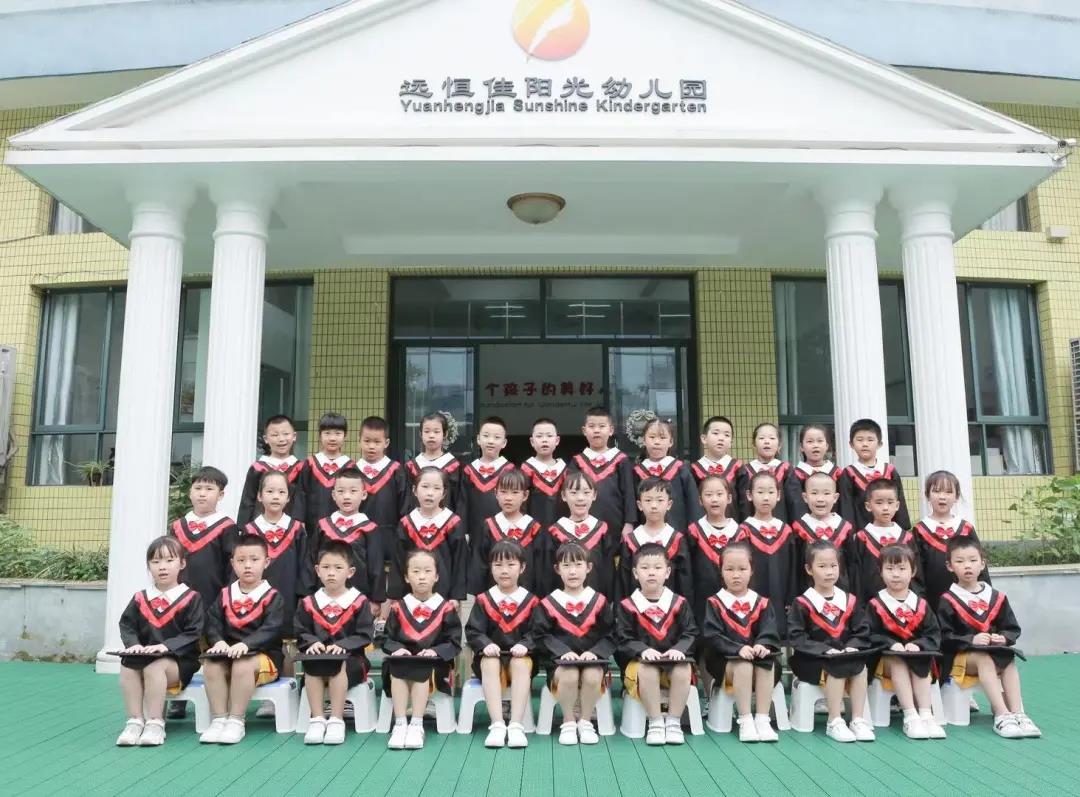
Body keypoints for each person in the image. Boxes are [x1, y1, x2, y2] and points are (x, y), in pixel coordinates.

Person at [937, 537, 1040, 739]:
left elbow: (1011, 628)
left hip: (993, 653)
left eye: (973, 560)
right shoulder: (947, 600)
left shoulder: (996, 597)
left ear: (982, 563)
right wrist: (970, 640)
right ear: (950, 566)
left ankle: (1018, 713)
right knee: (984, 660)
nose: (967, 566)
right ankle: (1001, 715)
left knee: (1008, 659)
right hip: (960, 657)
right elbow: (944, 636)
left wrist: (1003, 638)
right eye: (960, 561)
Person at [115, 536, 204, 747]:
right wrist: (134, 645)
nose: (162, 567)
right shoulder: (140, 598)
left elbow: (194, 632)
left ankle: (155, 723)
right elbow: (127, 625)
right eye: (155, 562)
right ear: (149, 566)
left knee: (155, 666)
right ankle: (135, 721)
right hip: (145, 656)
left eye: (169, 560)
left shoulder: (191, 598)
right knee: (127, 665)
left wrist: (166, 646)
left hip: (179, 661)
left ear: (182, 563)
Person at [200, 535, 285, 745]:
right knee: (211, 664)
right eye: (241, 560)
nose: (248, 565)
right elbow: (212, 622)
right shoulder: (225, 594)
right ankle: (219, 719)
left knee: (242, 664)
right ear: (232, 563)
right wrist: (218, 641)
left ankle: (236, 720)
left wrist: (247, 645)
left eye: (254, 560)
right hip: (228, 654)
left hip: (264, 657)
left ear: (266, 562)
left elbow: (271, 629)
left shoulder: (273, 597)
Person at [788, 541, 875, 744]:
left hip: (845, 655)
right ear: (809, 569)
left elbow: (862, 630)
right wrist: (825, 650)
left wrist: (852, 646)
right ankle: (834, 721)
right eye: (822, 566)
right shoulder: (802, 603)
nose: (829, 571)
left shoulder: (849, 600)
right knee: (837, 668)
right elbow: (797, 637)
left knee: (860, 667)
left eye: (833, 566)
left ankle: (857, 719)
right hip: (812, 660)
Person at [533, 541, 615, 746]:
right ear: (557, 569)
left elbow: (612, 634)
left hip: (593, 662)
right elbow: (540, 635)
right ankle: (568, 722)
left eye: (578, 565)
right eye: (566, 565)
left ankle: (585, 721)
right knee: (569, 673)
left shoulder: (599, 601)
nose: (572, 571)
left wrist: (596, 653)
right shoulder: (549, 603)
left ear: (588, 568)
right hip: (559, 665)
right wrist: (561, 652)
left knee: (592, 674)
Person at [615, 543, 697, 745]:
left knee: (683, 669)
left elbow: (691, 632)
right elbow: (623, 638)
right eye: (645, 568)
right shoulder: (627, 606)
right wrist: (642, 650)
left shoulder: (679, 603)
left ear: (667, 572)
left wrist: (679, 649)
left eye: (657, 567)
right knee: (648, 669)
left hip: (673, 663)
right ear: (635, 573)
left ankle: (674, 722)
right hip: (640, 665)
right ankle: (655, 722)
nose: (651, 572)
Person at [293, 541, 374, 745]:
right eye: (326, 567)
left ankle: (337, 720)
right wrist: (311, 642)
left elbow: (365, 634)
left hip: (352, 662)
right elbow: (300, 630)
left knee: (337, 664)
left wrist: (344, 645)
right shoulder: (309, 603)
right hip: (318, 661)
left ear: (350, 572)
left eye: (338, 568)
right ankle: (317, 719)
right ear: (317, 571)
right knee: (312, 664)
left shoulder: (359, 601)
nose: (331, 573)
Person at [382, 549, 462, 750]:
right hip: (402, 662)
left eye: (427, 571)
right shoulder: (398, 608)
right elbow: (385, 638)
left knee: (421, 670)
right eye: (416, 571)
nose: (422, 576)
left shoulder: (445, 608)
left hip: (434, 665)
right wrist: (397, 649)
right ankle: (400, 724)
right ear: (406, 577)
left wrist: (436, 652)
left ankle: (417, 725)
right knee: (398, 670)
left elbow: (454, 641)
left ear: (436, 576)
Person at [702, 543, 782, 743]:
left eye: (742, 569)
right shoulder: (715, 602)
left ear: (751, 570)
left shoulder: (761, 602)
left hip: (758, 660)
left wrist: (763, 644)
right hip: (725, 662)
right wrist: (738, 649)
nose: (736, 575)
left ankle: (762, 719)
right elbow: (712, 636)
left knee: (767, 663)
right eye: (729, 569)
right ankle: (745, 719)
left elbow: (769, 629)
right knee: (743, 666)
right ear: (721, 571)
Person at [465, 540, 540, 749]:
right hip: (490, 661)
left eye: (511, 564)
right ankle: (497, 724)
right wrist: (485, 644)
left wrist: (526, 644)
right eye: (498, 565)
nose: (504, 570)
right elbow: (473, 631)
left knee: (520, 663)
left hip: (521, 660)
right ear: (490, 568)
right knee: (490, 662)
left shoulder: (531, 601)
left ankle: (516, 725)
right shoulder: (484, 600)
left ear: (522, 568)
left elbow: (538, 632)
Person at [866, 544, 946, 740]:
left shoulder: (921, 605)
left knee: (922, 658)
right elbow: (868, 634)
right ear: (880, 572)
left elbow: (933, 634)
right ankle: (910, 715)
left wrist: (918, 645)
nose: (896, 574)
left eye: (902, 568)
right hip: (885, 662)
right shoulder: (875, 604)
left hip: (918, 658)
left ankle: (926, 715)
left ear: (913, 571)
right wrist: (889, 644)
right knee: (898, 661)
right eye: (889, 569)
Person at [241, 470, 310, 639]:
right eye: (270, 491)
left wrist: (303, 597)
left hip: (289, 596)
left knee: (287, 639)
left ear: (288, 498)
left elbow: (304, 566)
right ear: (259, 496)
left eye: (281, 492)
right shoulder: (250, 531)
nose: (275, 497)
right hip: (256, 597)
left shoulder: (296, 529)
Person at [389, 466, 468, 605]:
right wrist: (396, 596)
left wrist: (456, 596)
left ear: (444, 494)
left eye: (436, 488)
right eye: (425, 487)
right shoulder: (406, 523)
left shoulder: (453, 522)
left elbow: (460, 562)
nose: (430, 493)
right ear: (414, 490)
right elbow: (398, 561)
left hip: (445, 596)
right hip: (410, 595)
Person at [913, 470, 990, 611]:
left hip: (967, 600)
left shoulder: (966, 529)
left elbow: (979, 565)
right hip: (932, 600)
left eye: (948, 492)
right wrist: (920, 603)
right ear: (927, 495)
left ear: (956, 496)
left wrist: (985, 595)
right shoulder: (920, 531)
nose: (942, 497)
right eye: (936, 491)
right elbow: (916, 571)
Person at [169, 465, 239, 610]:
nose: (202, 493)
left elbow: (232, 568)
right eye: (198, 488)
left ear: (220, 495)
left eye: (209, 489)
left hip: (214, 599)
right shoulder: (177, 527)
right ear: (190, 493)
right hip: (179, 598)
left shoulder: (227, 527)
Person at [736, 471, 797, 637]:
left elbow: (793, 569)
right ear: (749, 495)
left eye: (771, 492)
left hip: (780, 593)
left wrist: (791, 598)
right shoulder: (744, 531)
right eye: (760, 492)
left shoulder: (785, 530)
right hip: (753, 594)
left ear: (778, 496)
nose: (765, 497)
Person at [308, 466, 380, 604]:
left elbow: (375, 566)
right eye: (341, 491)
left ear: (364, 495)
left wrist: (375, 599)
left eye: (353, 491)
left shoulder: (369, 529)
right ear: (333, 495)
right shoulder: (323, 526)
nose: (346, 496)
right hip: (324, 596)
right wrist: (309, 592)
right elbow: (311, 560)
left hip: (359, 597)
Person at [616, 477, 693, 605]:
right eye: (648, 500)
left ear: (669, 504)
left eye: (660, 500)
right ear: (639, 505)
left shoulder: (677, 539)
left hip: (670, 609)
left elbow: (685, 581)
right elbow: (623, 581)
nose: (653, 506)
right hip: (635, 609)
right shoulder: (631, 540)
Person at [536, 469, 612, 598]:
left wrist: (607, 599)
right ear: (564, 496)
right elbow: (548, 572)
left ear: (594, 495)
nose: (580, 498)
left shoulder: (601, 529)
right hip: (562, 600)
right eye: (573, 493)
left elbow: (608, 569)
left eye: (586, 492)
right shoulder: (555, 532)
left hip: (595, 600)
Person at [469, 468, 542, 594]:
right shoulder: (488, 526)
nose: (508, 498)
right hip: (494, 596)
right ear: (496, 493)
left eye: (515, 492)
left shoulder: (533, 528)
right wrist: (481, 597)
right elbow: (479, 565)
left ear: (525, 495)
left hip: (527, 596)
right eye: (503, 492)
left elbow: (540, 569)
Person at [571, 406, 636, 545]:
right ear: (584, 431)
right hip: (583, 525)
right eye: (591, 426)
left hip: (616, 525)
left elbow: (629, 493)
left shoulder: (621, 460)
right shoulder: (577, 462)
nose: (596, 430)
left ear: (611, 430)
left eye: (602, 426)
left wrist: (629, 523)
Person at [354, 416, 409, 578]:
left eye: (377, 442)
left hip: (390, 537)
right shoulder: (352, 472)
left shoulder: (396, 471)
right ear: (359, 441)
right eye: (367, 441)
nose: (371, 446)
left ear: (386, 443)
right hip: (357, 536)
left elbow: (405, 506)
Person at [850, 479, 920, 603]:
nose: (885, 508)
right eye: (879, 503)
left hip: (904, 603)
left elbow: (916, 575)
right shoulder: (862, 538)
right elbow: (856, 577)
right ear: (868, 506)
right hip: (870, 604)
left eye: (890, 502)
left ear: (897, 505)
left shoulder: (907, 538)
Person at [838, 418, 911, 531]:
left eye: (870, 440)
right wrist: (851, 533)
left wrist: (902, 530)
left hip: (890, 531)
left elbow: (899, 500)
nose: (865, 444)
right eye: (860, 440)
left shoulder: (890, 470)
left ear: (879, 444)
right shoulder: (848, 473)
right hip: (862, 533)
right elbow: (846, 507)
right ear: (851, 444)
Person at [631, 418, 700, 534]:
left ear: (671, 442)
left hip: (677, 530)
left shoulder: (680, 469)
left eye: (662, 438)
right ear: (644, 440)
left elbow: (693, 501)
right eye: (652, 437)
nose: (657, 442)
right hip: (645, 532)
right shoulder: (637, 472)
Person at [790, 471, 855, 593]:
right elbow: (795, 568)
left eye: (826, 493)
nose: (820, 499)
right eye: (814, 493)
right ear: (805, 497)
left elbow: (852, 566)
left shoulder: (844, 529)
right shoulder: (799, 529)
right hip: (807, 593)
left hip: (841, 593)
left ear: (835, 498)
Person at [237, 414, 306, 526]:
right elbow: (248, 500)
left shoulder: (301, 468)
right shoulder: (258, 468)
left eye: (286, 434)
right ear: (266, 439)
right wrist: (242, 528)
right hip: (260, 526)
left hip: (292, 528)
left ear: (294, 436)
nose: (281, 439)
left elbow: (303, 500)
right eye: (275, 435)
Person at [458, 416, 515, 543]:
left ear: (504, 443)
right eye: (486, 436)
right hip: (474, 532)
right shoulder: (469, 471)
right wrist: (463, 532)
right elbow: (463, 503)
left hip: (503, 531)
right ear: (478, 439)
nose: (491, 441)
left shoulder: (510, 470)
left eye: (497, 437)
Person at [300, 412, 354, 532]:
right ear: (320, 436)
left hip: (342, 525)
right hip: (312, 525)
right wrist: (300, 520)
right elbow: (301, 494)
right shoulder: (310, 463)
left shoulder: (350, 466)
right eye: (327, 433)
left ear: (345, 436)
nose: (332, 438)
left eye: (338, 433)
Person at [405, 411, 461, 512]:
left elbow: (457, 500)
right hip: (417, 518)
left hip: (446, 519)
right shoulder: (412, 466)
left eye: (436, 432)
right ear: (420, 434)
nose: (431, 435)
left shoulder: (453, 466)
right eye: (427, 431)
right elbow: (407, 500)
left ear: (445, 434)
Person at [519, 417, 568, 532]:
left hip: (561, 530)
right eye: (539, 436)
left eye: (549, 436)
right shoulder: (526, 469)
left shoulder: (565, 470)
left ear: (557, 440)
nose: (544, 440)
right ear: (532, 441)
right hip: (532, 530)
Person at [735, 423, 791, 522]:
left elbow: (792, 502)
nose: (767, 442)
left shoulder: (786, 470)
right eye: (761, 438)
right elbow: (743, 504)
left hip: (780, 526)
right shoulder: (745, 471)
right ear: (753, 445)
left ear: (779, 445)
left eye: (772, 438)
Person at [784, 424, 841, 521]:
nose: (815, 445)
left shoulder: (838, 474)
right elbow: (795, 507)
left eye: (820, 441)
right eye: (810, 441)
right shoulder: (794, 476)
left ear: (827, 446)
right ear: (801, 447)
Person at [690, 416, 741, 492]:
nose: (721, 438)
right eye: (716, 433)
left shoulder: (738, 468)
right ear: (704, 439)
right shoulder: (694, 470)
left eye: (726, 435)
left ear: (731, 443)